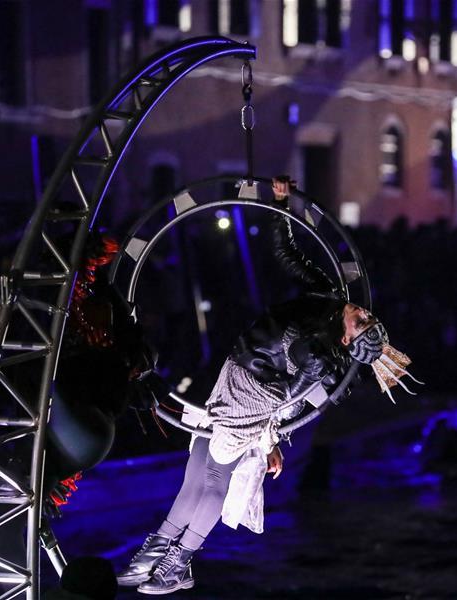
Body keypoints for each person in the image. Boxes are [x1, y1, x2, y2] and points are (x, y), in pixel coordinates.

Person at [116, 177, 421, 594]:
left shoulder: (325, 358)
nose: (362, 313)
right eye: (369, 316)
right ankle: (157, 550)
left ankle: (179, 561)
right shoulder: (329, 298)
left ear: (349, 339)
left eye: (362, 322)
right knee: (196, 471)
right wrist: (283, 206)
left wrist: (267, 439)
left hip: (250, 396)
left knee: (214, 478)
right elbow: (289, 256)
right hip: (234, 372)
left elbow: (299, 387)